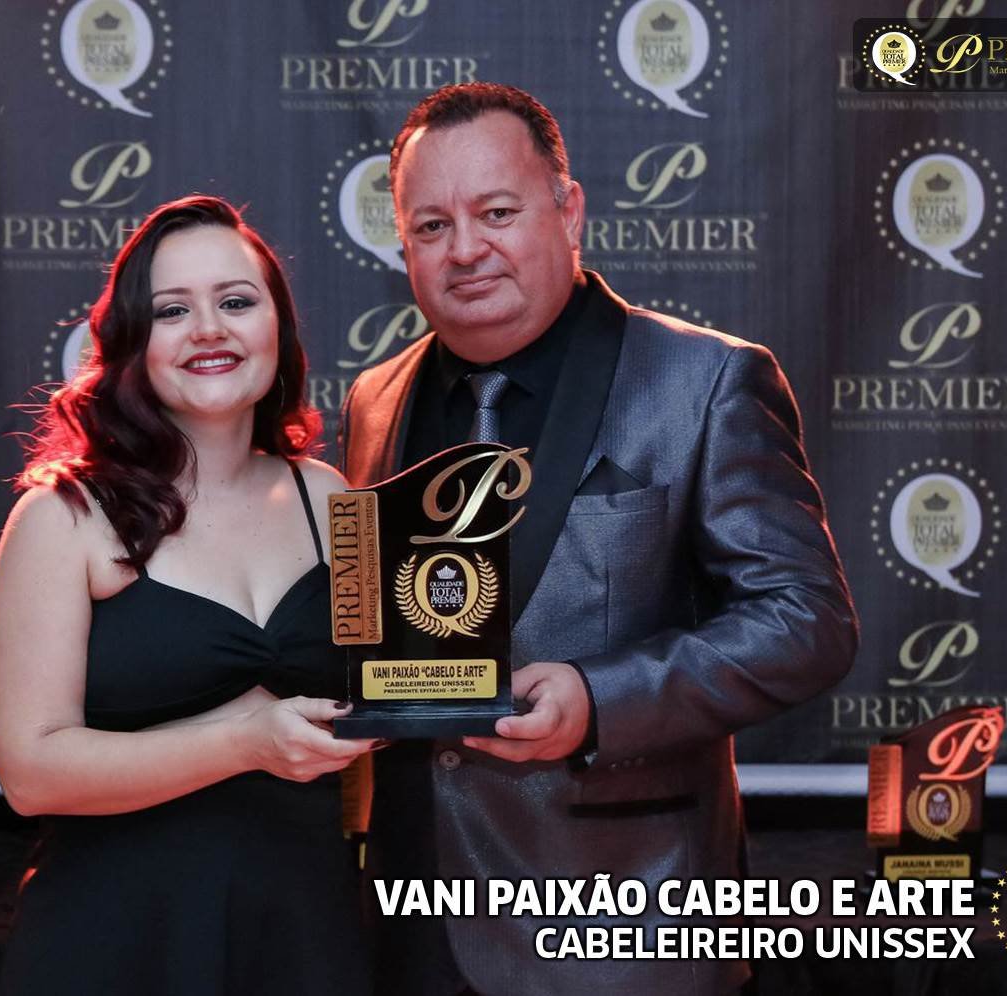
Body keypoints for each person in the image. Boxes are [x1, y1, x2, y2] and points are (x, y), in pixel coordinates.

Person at [338, 83, 859, 995]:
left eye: (497, 213)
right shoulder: (374, 399)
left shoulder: (706, 381)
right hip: (409, 923)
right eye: (432, 226)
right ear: (403, 244)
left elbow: (808, 620)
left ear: (568, 210)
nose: (465, 249)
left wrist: (598, 698)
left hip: (623, 926)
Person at [0, 195, 375, 995]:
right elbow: (30, 774)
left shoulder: (336, 500)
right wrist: (246, 742)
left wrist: (475, 689)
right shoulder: (64, 515)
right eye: (172, 310)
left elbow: (381, 691)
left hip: (305, 935)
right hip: (117, 942)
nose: (209, 330)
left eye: (236, 301)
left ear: (278, 327)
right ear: (134, 342)